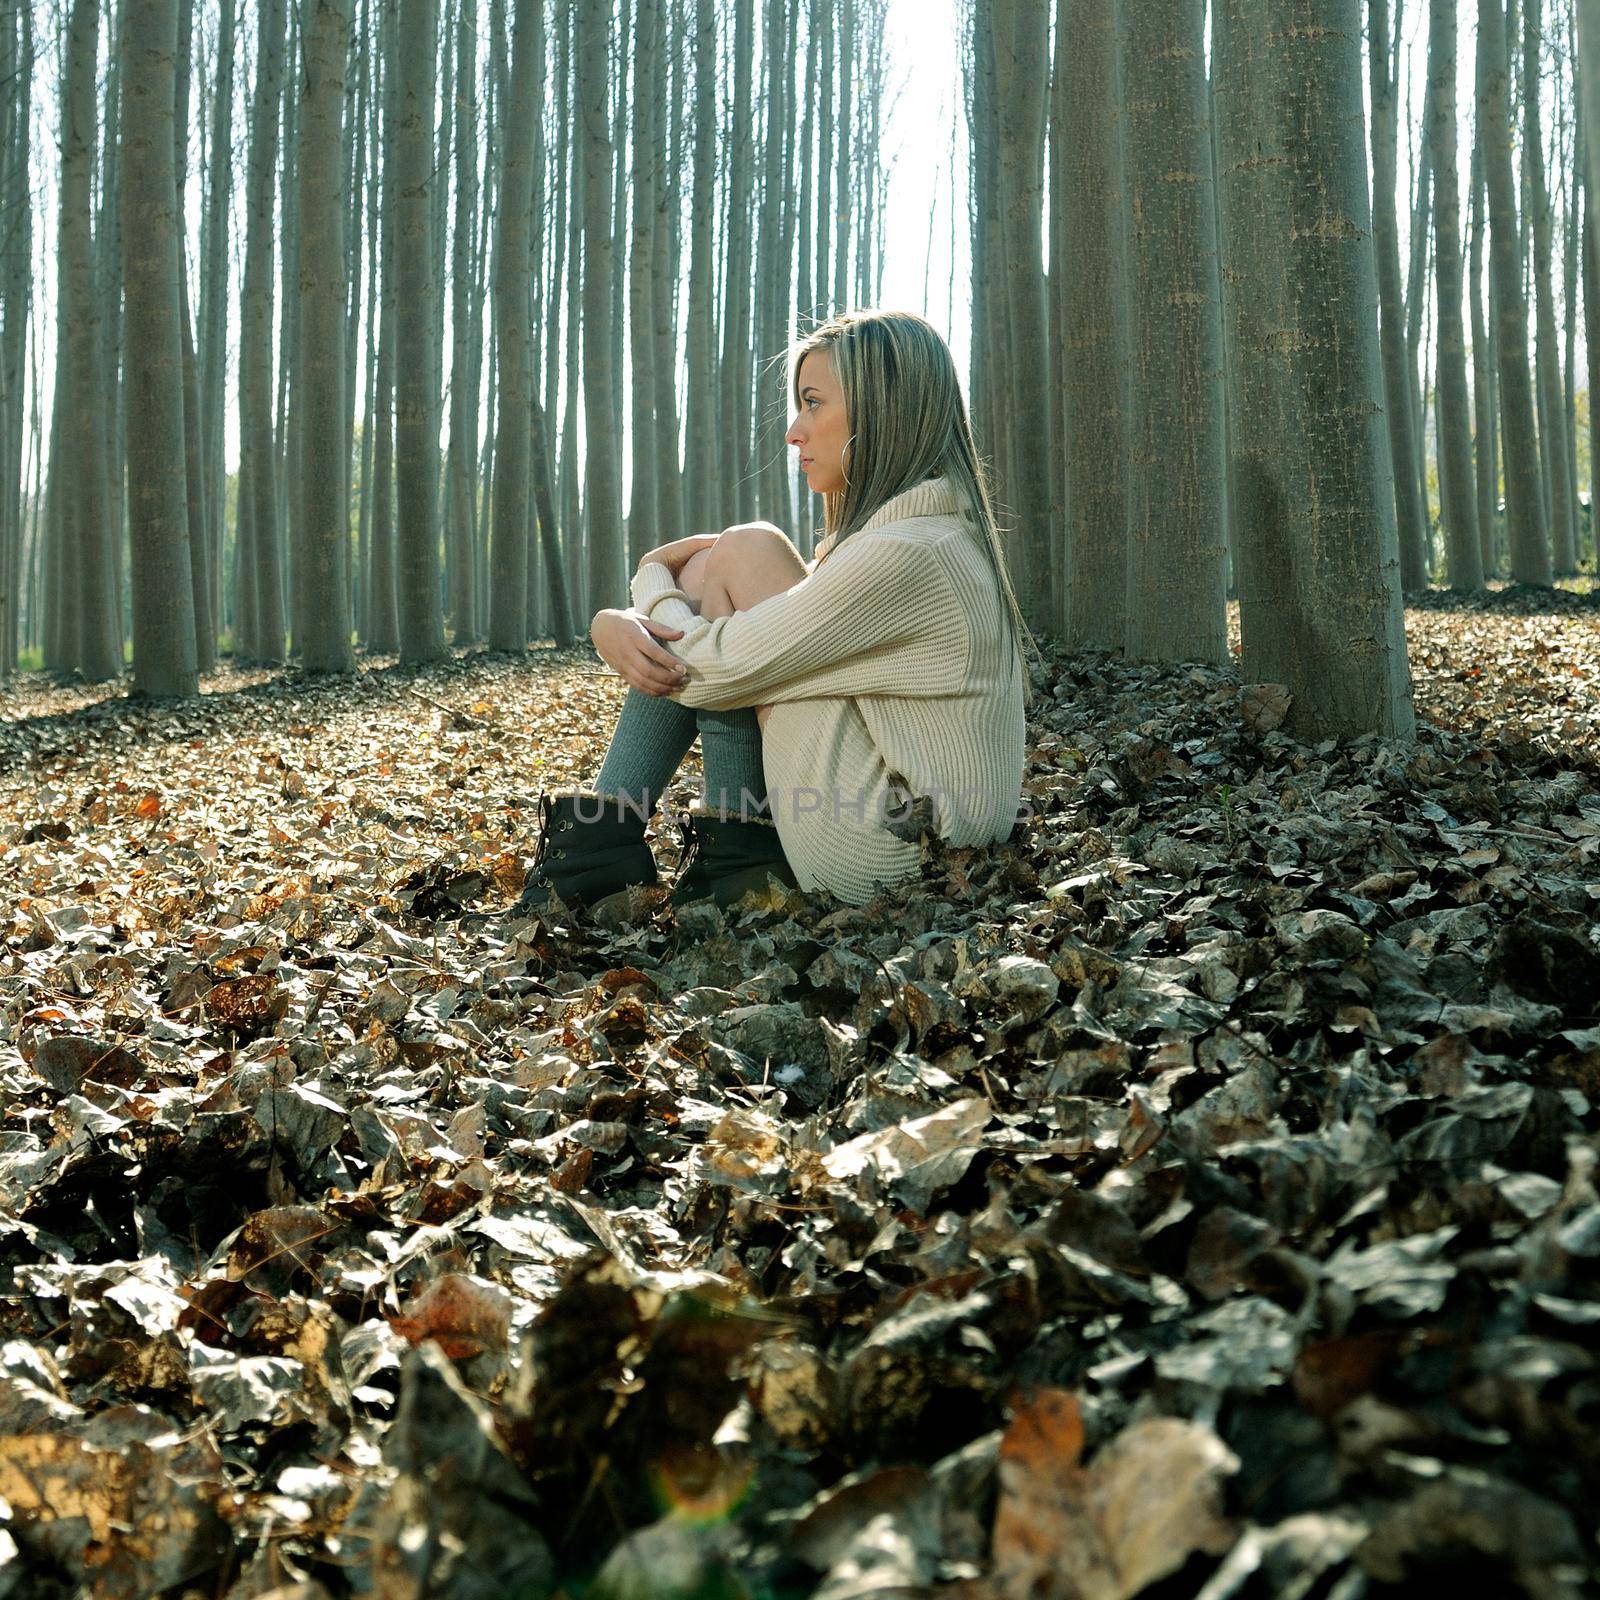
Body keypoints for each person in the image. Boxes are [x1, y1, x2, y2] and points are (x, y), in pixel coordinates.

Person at [510, 307, 1041, 919]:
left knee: (740, 555)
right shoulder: (925, 537)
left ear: (881, 410)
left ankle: (641, 855)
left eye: (814, 403)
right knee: (727, 564)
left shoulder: (908, 555)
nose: (794, 431)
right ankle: (704, 855)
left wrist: (640, 591)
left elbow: (708, 670)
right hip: (908, 835)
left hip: (885, 852)